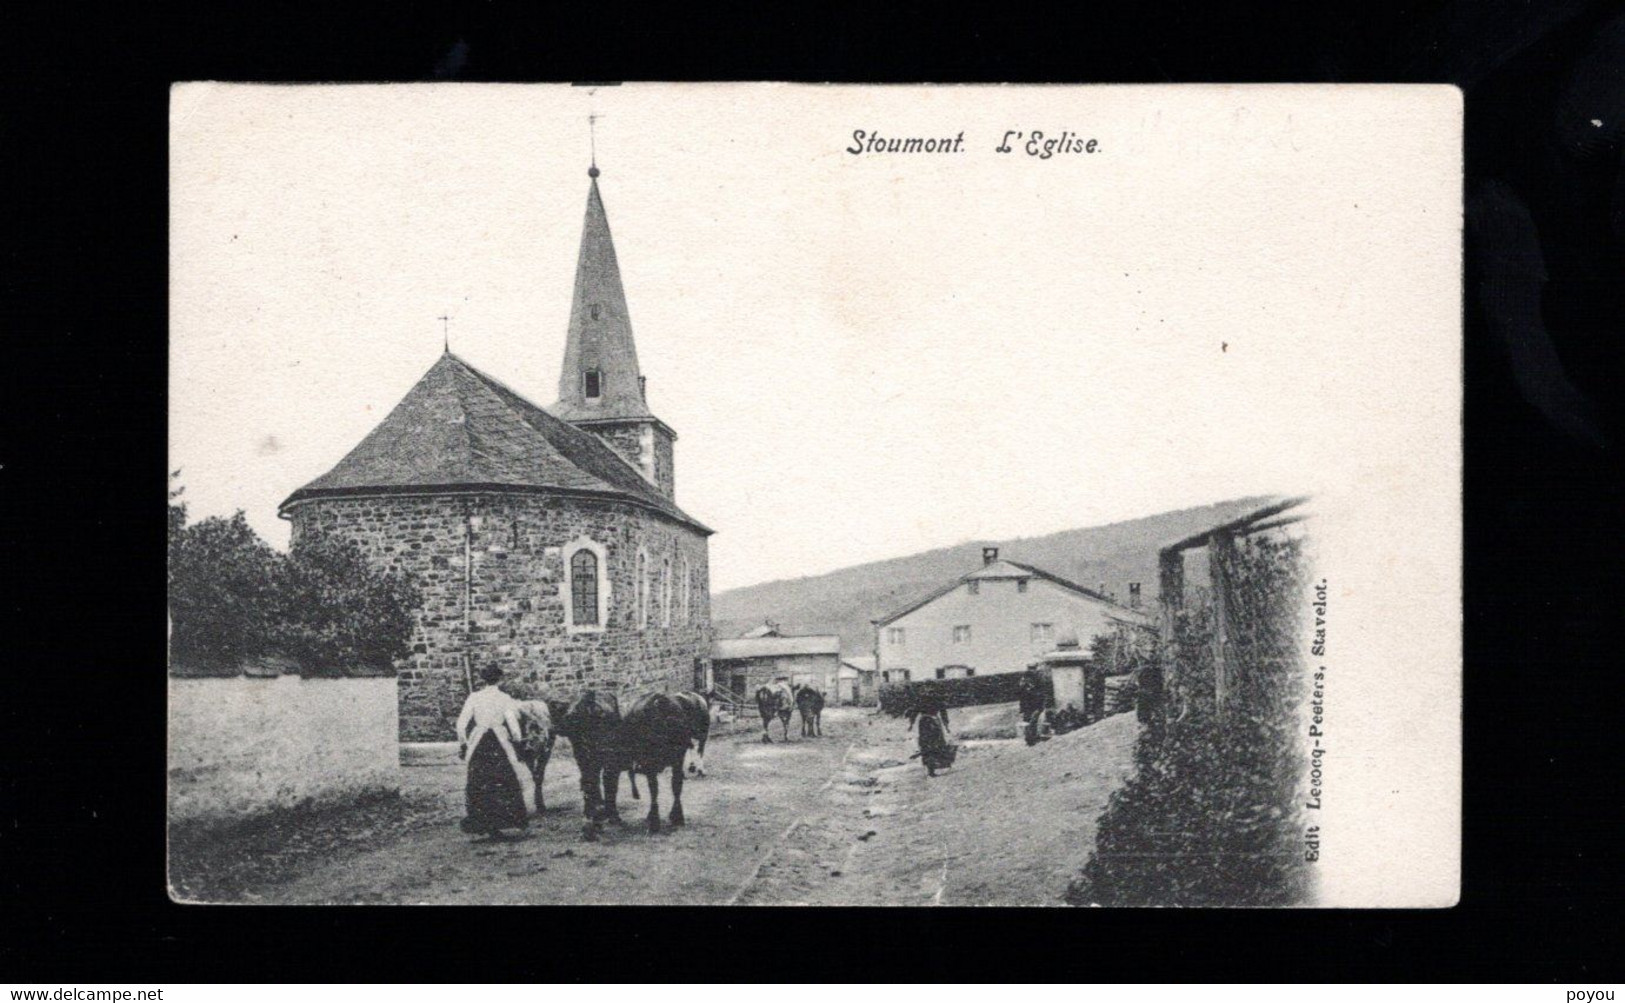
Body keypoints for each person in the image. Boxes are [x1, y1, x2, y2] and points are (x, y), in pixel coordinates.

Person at [455, 664, 529, 840]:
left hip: (479, 741)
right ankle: (501, 821)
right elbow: (512, 723)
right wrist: (518, 741)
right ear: (500, 679)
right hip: (499, 742)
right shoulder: (504, 698)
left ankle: (482, 822)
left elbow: (461, 724)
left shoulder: (474, 697)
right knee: (503, 779)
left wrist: (464, 743)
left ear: (483, 679)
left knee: (479, 781)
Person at [908, 697, 958, 777]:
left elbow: (914, 712)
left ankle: (931, 769)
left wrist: (911, 724)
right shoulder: (937, 699)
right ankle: (935, 767)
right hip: (933, 722)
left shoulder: (920, 699)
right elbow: (943, 712)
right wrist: (946, 725)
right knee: (936, 744)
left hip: (924, 722)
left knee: (927, 745)